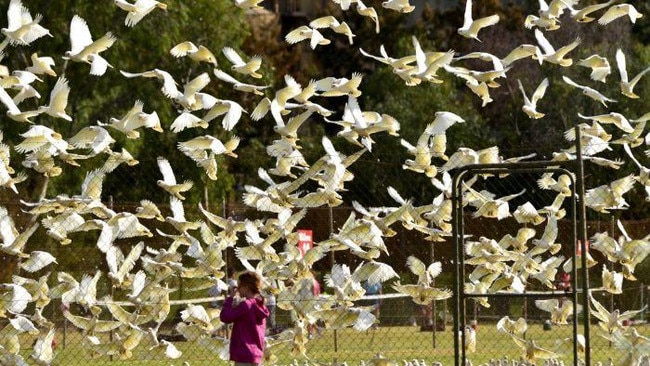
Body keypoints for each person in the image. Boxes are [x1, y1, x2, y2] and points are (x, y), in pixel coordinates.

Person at [219, 271, 270, 366]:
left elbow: (225, 317)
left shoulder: (246, 305)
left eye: (239, 286)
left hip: (243, 353)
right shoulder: (260, 306)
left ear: (246, 287)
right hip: (256, 354)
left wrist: (230, 298)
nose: (237, 289)